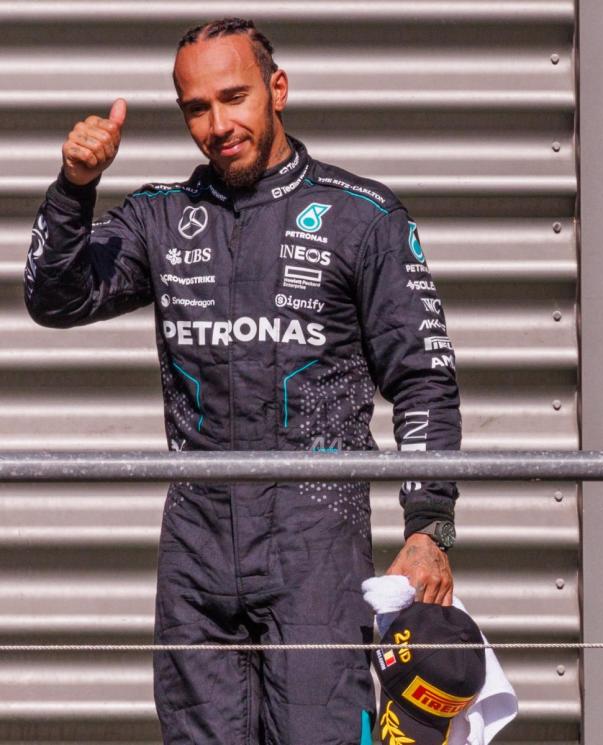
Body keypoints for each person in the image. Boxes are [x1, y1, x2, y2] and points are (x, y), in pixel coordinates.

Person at [24, 18, 461, 744]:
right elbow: (55, 297)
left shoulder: (364, 216)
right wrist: (76, 187)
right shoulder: (161, 217)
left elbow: (423, 378)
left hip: (317, 541)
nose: (220, 124)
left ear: (277, 89)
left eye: (235, 97)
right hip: (197, 548)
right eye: (197, 108)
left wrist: (429, 528)